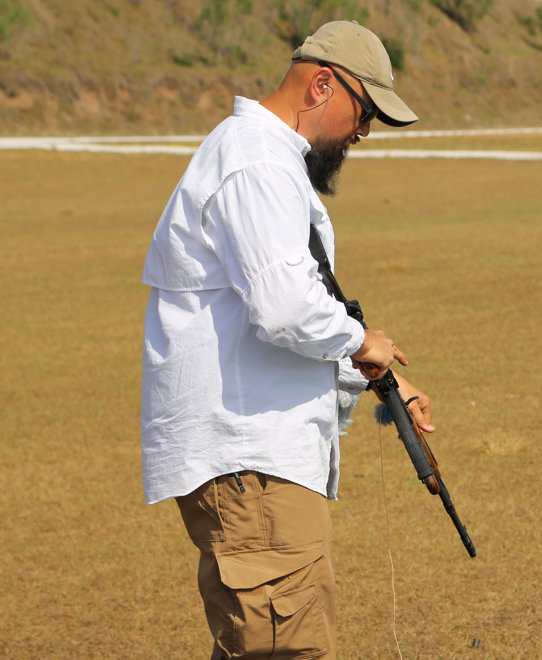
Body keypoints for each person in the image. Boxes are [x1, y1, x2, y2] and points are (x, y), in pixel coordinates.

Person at [139, 21, 431, 659]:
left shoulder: (264, 159)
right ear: (322, 85)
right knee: (287, 648)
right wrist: (363, 340)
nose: (364, 132)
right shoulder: (255, 162)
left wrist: (376, 377)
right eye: (364, 112)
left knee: (264, 645)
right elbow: (283, 308)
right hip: (251, 461)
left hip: (258, 460)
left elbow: (270, 314)